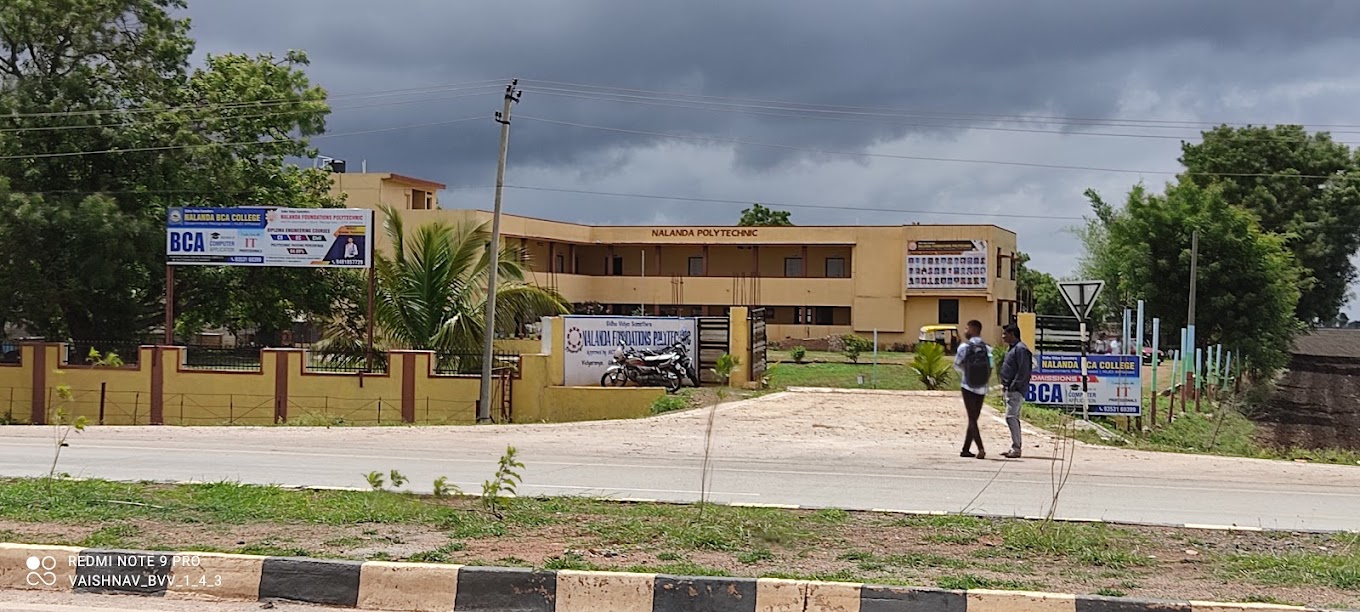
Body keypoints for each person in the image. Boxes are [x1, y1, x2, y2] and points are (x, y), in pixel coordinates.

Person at [953, 320, 992, 459]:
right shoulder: (987, 348)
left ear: (973, 329)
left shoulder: (964, 347)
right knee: (974, 418)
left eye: (966, 328)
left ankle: (981, 448)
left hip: (968, 385)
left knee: (972, 419)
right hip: (982, 387)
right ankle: (965, 449)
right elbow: (990, 366)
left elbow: (957, 365)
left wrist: (967, 370)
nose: (965, 331)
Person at [999, 323, 1033, 459]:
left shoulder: (1021, 349)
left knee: (1010, 417)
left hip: (1015, 390)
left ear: (1012, 334)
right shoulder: (1013, 349)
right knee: (1013, 418)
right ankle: (1015, 446)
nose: (1003, 336)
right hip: (1009, 389)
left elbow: (1023, 370)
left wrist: (1014, 385)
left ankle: (1016, 448)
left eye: (1005, 334)